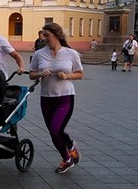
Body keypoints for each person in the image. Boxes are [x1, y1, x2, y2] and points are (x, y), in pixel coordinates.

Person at [29, 23, 83, 174]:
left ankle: (69, 150)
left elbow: (80, 73)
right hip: (46, 98)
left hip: (65, 97)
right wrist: (40, 74)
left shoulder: (70, 53)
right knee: (54, 132)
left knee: (55, 129)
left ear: (57, 35)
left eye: (47, 35)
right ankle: (67, 157)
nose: (44, 38)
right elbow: (31, 73)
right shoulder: (39, 54)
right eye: (43, 35)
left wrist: (67, 76)